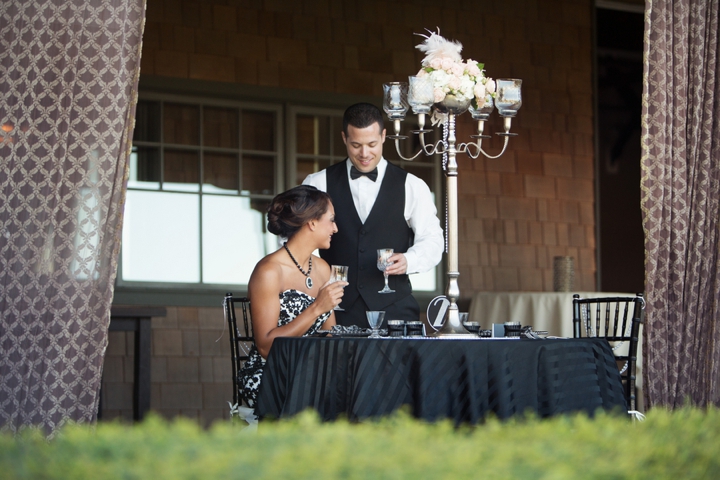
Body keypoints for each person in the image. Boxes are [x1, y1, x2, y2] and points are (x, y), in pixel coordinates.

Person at [303, 102, 443, 328]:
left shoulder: (412, 185)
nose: (364, 154)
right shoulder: (318, 183)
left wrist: (410, 260)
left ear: (384, 136)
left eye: (372, 144)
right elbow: (296, 240)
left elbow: (433, 240)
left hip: (395, 312)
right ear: (344, 138)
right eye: (356, 145)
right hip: (336, 311)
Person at [238, 185, 346, 408]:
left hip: (312, 373)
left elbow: (329, 335)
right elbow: (267, 347)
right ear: (312, 222)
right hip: (272, 377)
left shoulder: (323, 268)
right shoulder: (269, 271)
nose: (335, 228)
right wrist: (317, 308)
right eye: (331, 220)